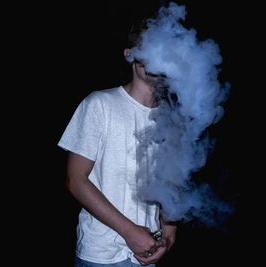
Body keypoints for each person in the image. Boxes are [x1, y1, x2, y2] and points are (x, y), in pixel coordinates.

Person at [58, 11, 177, 267]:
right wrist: (130, 232)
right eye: (147, 47)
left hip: (147, 253)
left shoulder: (170, 117)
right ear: (129, 54)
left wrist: (169, 231)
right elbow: (75, 180)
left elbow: (169, 182)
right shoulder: (99, 104)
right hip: (100, 255)